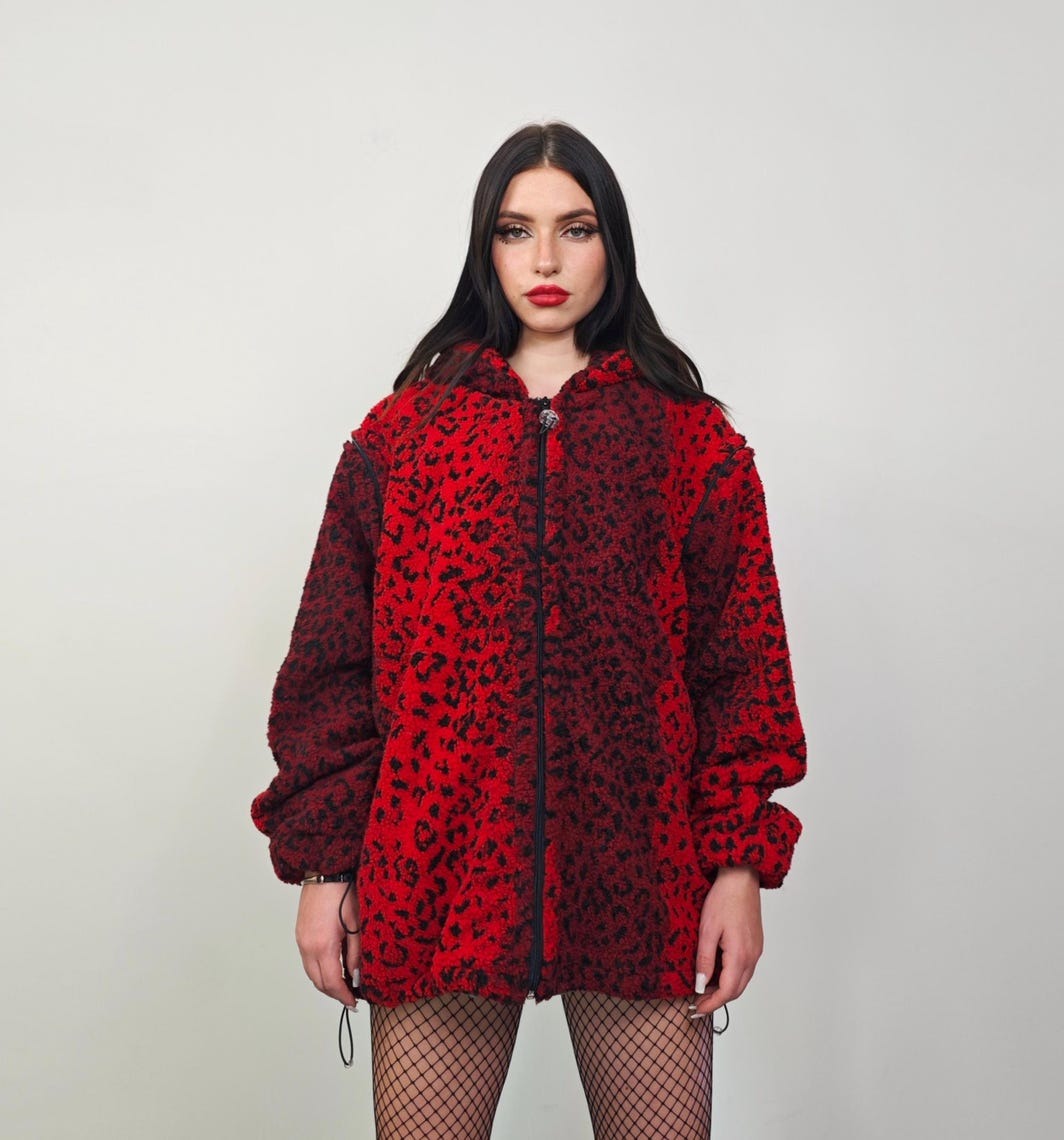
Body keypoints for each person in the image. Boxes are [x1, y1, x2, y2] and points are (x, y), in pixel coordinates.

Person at [250, 119, 807, 1140]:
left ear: (613, 244)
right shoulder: (403, 437)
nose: (545, 260)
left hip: (640, 872)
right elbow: (331, 667)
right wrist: (325, 871)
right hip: (436, 867)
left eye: (575, 229)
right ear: (486, 247)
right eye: (517, 230)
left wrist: (737, 869)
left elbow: (742, 671)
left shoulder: (691, 441)